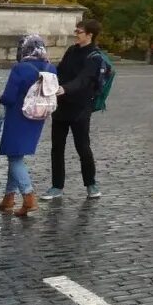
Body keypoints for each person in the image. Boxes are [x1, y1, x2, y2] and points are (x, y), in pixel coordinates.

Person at [43, 19, 106, 201]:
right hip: (61, 105)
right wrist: (45, 73)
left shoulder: (94, 56)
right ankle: (57, 186)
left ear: (89, 34)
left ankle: (91, 184)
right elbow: (59, 71)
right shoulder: (71, 51)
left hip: (80, 107)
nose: (75, 34)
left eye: (79, 32)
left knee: (82, 146)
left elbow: (84, 79)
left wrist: (65, 88)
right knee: (57, 147)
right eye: (75, 31)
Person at [0, 34, 57, 216]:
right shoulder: (51, 67)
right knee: (16, 156)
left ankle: (29, 197)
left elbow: (9, 97)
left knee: (14, 157)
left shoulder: (20, 68)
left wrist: (1, 98)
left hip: (18, 116)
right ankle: (8, 199)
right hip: (37, 116)